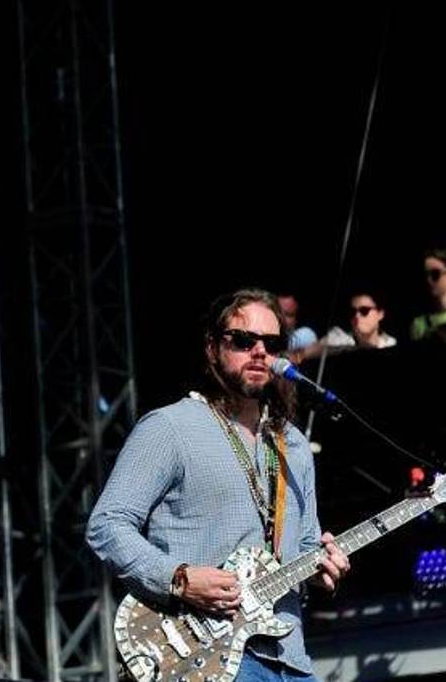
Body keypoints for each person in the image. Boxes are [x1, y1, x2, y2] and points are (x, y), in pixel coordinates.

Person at [87, 288, 349, 681]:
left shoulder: (293, 444)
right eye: (244, 341)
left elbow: (306, 544)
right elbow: (107, 525)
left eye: (272, 343)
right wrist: (179, 577)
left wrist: (323, 566)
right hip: (200, 657)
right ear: (212, 348)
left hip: (290, 658)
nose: (259, 352)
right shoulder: (170, 427)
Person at [296, 291, 396, 361]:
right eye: (352, 312)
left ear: (380, 314)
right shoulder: (338, 338)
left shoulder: (391, 343)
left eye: (364, 311)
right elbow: (303, 354)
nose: (357, 316)